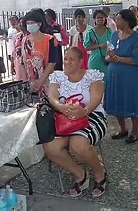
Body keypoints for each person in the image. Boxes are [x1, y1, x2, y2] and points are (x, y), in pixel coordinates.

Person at [45, 47, 108, 198]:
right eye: (65, 59)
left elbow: (96, 98)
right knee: (50, 147)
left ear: (81, 61)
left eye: (71, 59)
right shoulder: (57, 77)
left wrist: (84, 111)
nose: (67, 62)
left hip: (92, 116)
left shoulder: (92, 76)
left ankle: (100, 174)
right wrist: (61, 107)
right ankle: (80, 175)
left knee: (77, 144)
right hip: (65, 119)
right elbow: (52, 97)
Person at [104, 9, 138, 143]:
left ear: (127, 21)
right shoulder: (114, 35)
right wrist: (110, 58)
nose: (116, 21)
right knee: (117, 99)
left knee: (131, 100)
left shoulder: (136, 38)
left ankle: (135, 131)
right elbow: (108, 53)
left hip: (129, 75)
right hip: (114, 74)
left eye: (119, 19)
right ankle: (123, 129)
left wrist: (118, 59)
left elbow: (137, 60)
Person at [21, 10, 59, 96]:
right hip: (30, 84)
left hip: (46, 81)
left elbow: (52, 62)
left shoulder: (50, 39)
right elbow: (22, 62)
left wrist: (40, 81)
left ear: (39, 24)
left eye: (32, 23)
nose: (30, 25)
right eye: (28, 23)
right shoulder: (24, 40)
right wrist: (26, 83)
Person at [83, 10, 113, 77]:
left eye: (102, 17)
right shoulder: (90, 32)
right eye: (98, 18)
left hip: (107, 61)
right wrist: (99, 45)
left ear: (105, 19)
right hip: (94, 61)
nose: (100, 19)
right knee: (95, 82)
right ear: (95, 19)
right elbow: (86, 48)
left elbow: (113, 45)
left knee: (107, 82)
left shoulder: (109, 31)